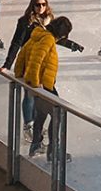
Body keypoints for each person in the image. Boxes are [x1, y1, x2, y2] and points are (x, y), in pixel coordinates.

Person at [15, 15, 73, 157]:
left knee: (41, 114)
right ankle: (54, 150)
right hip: (43, 85)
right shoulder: (48, 40)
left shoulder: (39, 34)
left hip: (41, 84)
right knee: (58, 114)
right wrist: (36, 86)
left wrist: (18, 73)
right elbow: (36, 61)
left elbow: (22, 54)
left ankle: (36, 145)